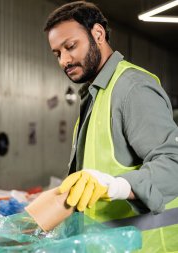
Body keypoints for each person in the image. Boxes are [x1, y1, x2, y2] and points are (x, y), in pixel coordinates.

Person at [43, 1, 178, 251]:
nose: (64, 60)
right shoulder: (95, 95)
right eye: (57, 53)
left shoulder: (132, 89)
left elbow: (173, 164)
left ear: (98, 34)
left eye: (71, 46)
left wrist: (115, 186)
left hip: (144, 246)